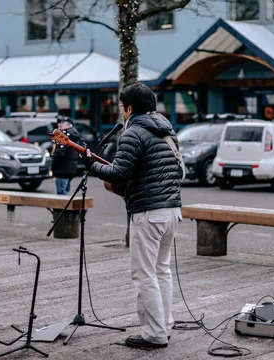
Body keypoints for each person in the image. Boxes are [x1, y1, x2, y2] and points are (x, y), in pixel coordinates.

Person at [87, 83, 182, 349]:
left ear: (129, 108)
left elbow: (119, 173)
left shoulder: (133, 132)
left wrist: (91, 166)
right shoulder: (167, 131)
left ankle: (154, 334)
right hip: (172, 209)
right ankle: (165, 325)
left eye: (122, 107)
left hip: (148, 213)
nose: (122, 113)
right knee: (162, 270)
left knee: (144, 275)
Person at [51, 116, 80, 195]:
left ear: (69, 125)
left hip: (62, 170)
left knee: (62, 194)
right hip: (70, 169)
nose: (59, 124)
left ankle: (64, 207)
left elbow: (59, 153)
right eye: (59, 122)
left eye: (62, 122)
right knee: (65, 191)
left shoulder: (63, 136)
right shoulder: (73, 135)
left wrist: (53, 166)